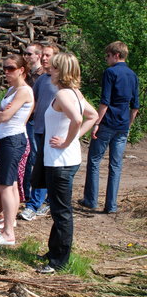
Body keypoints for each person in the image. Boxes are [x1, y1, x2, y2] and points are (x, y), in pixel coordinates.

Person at [38, 53, 98, 273]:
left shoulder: (64, 94)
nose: (49, 71)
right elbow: (91, 116)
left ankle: (59, 261)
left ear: (61, 71)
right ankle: (54, 251)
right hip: (65, 160)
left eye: (53, 68)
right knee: (57, 209)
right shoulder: (75, 93)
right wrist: (72, 139)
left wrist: (66, 141)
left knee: (62, 212)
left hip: (61, 162)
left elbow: (79, 119)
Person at [79, 41, 139, 214]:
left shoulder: (110, 72)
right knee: (115, 165)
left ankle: (91, 200)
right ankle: (111, 205)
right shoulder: (133, 75)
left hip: (107, 123)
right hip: (122, 126)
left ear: (116, 55)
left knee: (95, 160)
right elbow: (135, 106)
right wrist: (128, 125)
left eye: (107, 56)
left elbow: (105, 101)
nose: (106, 59)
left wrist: (96, 122)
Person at [0, 54, 34, 246]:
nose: (6, 72)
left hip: (14, 140)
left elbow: (5, 115)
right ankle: (8, 225)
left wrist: (1, 115)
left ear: (21, 70)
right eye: (4, 69)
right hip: (7, 139)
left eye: (10, 68)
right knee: (11, 184)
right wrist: (0, 116)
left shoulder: (24, 91)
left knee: (6, 185)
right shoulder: (12, 90)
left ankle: (9, 233)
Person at [19, 44, 59, 222]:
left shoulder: (62, 82)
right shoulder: (42, 80)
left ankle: (45, 203)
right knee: (40, 167)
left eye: (47, 55)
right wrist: (23, 120)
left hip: (56, 133)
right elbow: (32, 103)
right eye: (42, 55)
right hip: (39, 129)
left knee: (51, 168)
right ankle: (34, 204)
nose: (43, 58)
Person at [23, 43, 44, 200]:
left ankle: (35, 193)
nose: (26, 56)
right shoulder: (27, 74)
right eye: (25, 53)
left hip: (35, 121)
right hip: (25, 120)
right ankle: (26, 191)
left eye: (29, 54)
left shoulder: (42, 76)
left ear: (38, 55)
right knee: (27, 155)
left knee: (35, 157)